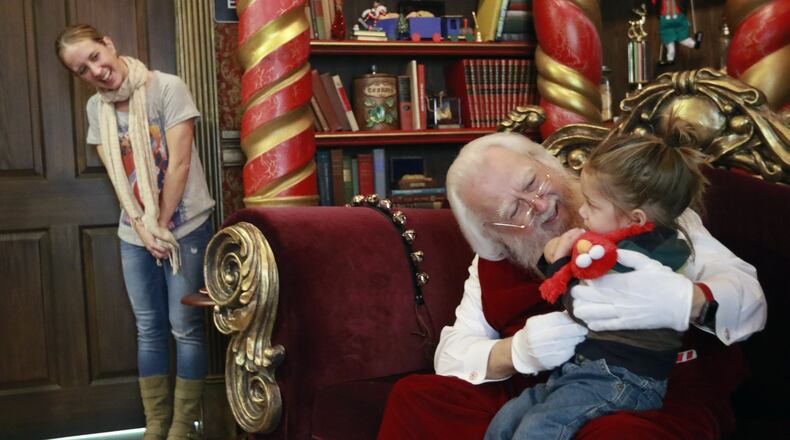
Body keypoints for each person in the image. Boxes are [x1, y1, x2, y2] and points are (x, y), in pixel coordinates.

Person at [377, 132, 766, 439]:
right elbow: (452, 355)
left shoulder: (646, 215)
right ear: (493, 231)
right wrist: (518, 351)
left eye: (534, 182)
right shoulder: (493, 262)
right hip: (553, 391)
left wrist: (686, 300)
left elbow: (749, 297)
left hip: (653, 390)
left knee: (616, 435)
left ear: (548, 164)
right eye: (514, 210)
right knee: (416, 398)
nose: (539, 204)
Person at [485, 133, 710, 439]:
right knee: (507, 418)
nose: (584, 211)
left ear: (635, 218)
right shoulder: (615, 244)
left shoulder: (637, 258)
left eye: (592, 204)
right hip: (587, 369)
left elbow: (585, 307)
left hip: (625, 379)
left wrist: (554, 263)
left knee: (541, 428)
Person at [56, 24, 215, 440]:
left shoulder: (167, 87)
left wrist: (160, 225)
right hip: (135, 233)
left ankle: (183, 425)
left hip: (186, 226)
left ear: (109, 43)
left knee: (185, 327)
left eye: (94, 56)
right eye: (81, 70)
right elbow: (117, 176)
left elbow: (179, 164)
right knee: (149, 328)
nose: (94, 70)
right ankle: (156, 424)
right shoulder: (97, 111)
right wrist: (143, 229)